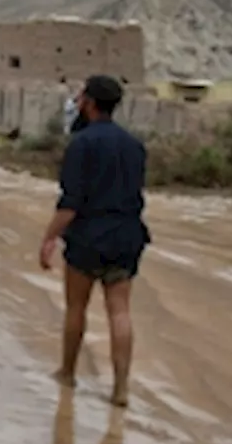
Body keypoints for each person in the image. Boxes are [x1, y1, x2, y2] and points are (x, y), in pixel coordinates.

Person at [38, 75, 150, 408]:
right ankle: (120, 390)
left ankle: (68, 373)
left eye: (81, 95)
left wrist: (48, 239)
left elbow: (71, 203)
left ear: (89, 102)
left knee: (76, 307)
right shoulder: (135, 146)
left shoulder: (82, 144)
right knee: (120, 311)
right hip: (127, 237)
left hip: (88, 238)